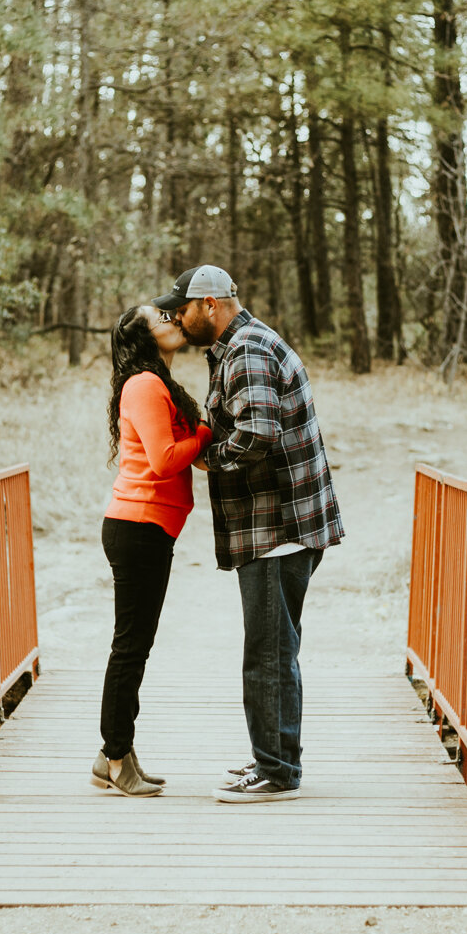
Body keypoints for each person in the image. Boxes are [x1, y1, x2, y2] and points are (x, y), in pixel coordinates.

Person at [152, 266, 343, 803]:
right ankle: (274, 757)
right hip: (280, 524)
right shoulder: (242, 346)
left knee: (268, 652)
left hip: (276, 526)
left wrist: (208, 460)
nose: (178, 319)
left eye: (183, 309)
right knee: (275, 647)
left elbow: (258, 431)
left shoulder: (248, 351)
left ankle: (277, 771)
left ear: (209, 305)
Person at [93, 305, 212, 798]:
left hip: (149, 528)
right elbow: (165, 461)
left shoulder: (156, 382)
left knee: (134, 645)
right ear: (144, 334)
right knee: (130, 648)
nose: (173, 318)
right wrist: (206, 432)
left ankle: (111, 757)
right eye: (162, 315)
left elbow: (185, 459)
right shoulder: (143, 384)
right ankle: (117, 756)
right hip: (137, 526)